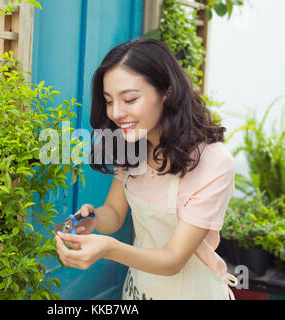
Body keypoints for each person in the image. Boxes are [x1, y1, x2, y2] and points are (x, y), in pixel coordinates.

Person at [55, 38, 238, 300]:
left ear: (168, 92)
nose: (116, 113)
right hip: (139, 291)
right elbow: (116, 212)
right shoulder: (133, 146)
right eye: (108, 101)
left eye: (129, 99)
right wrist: (93, 218)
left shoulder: (215, 164)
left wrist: (107, 248)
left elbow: (173, 259)